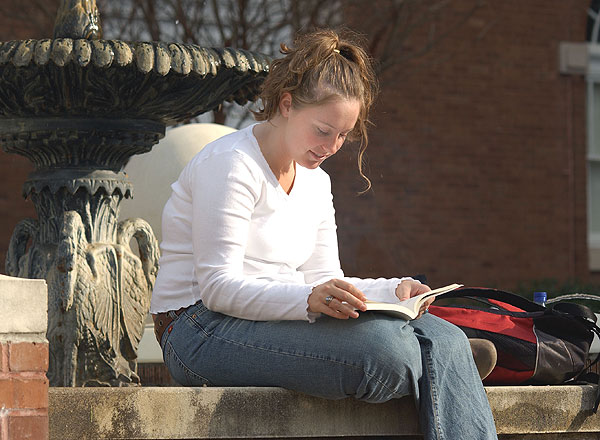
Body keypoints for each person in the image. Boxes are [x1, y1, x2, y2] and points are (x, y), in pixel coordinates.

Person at [150, 29, 498, 440]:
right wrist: (307, 298)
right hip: (199, 329)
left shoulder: (316, 182)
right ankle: (436, 367)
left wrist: (393, 291)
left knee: (448, 334)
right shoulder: (230, 164)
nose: (332, 145)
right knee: (389, 352)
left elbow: (326, 280)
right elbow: (218, 288)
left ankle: (435, 360)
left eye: (343, 135)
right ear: (286, 104)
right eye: (322, 130)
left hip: (277, 317)